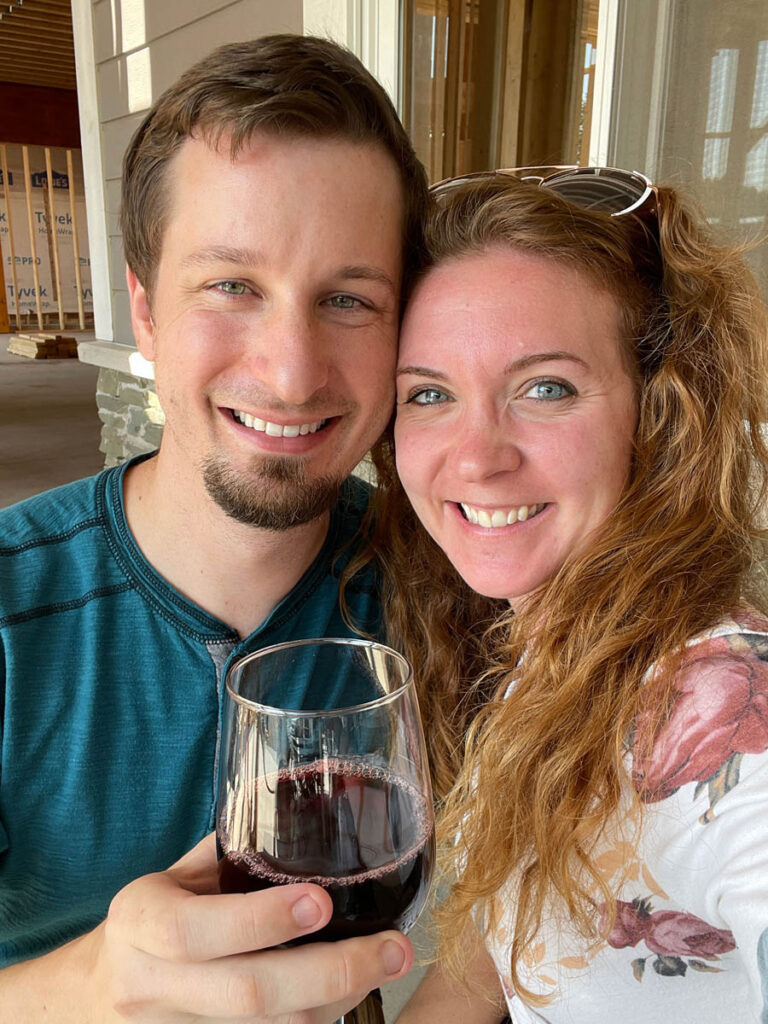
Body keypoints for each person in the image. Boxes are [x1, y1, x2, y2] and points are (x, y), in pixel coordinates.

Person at [0, 35, 428, 1020]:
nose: (290, 370)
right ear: (146, 315)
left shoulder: (441, 582)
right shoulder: (12, 618)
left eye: (349, 298)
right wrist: (96, 985)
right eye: (232, 284)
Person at [363, 168, 768, 1022]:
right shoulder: (548, 646)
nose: (475, 459)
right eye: (429, 394)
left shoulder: (724, 715)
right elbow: (491, 964)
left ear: (661, 414)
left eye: (545, 387)